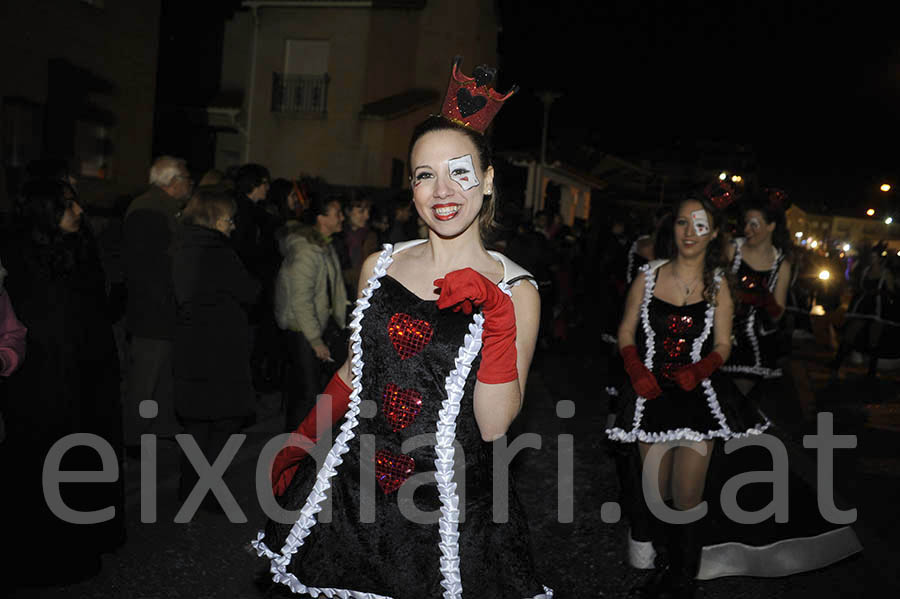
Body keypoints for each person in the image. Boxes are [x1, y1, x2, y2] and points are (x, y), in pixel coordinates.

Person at [255, 58, 551, 598]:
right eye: (424, 174)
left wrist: (499, 317)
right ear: (410, 187)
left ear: (486, 181)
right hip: (354, 491)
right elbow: (354, 370)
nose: (443, 190)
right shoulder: (380, 265)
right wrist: (301, 438)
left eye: (459, 171)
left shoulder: (517, 291)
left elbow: (492, 426)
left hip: (448, 507)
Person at [607, 195, 767, 598]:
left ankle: (682, 582)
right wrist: (635, 367)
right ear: (672, 228)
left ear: (712, 233)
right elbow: (626, 331)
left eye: (699, 225)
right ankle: (663, 569)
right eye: (682, 223)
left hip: (698, 400)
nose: (689, 233)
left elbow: (725, 344)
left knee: (687, 497)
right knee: (656, 494)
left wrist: (701, 368)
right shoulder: (648, 275)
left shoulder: (718, 285)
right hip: (650, 396)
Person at [1, 179, 125, 586]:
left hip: (80, 385)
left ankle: (78, 545)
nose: (79, 212)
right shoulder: (23, 261)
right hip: (40, 390)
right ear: (45, 211)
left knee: (78, 465)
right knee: (43, 469)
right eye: (68, 205)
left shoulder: (75, 254)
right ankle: (48, 554)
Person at [172, 186, 260, 506]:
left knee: (197, 420)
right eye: (228, 219)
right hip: (219, 346)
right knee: (224, 419)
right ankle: (205, 490)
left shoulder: (181, 243)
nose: (232, 225)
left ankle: (191, 488)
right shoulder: (217, 250)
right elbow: (247, 291)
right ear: (213, 217)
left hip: (190, 342)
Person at [123, 155, 193, 449]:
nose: (190, 185)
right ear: (173, 182)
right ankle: (133, 435)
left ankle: (158, 426)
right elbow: (153, 269)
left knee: (160, 376)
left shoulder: (161, 209)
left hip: (159, 309)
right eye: (187, 179)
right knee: (146, 378)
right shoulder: (150, 212)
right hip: (153, 312)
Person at [273, 191, 348, 431]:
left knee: (311, 392)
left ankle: (302, 449)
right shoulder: (307, 250)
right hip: (302, 331)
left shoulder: (324, 245)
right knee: (306, 394)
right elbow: (301, 300)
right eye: (337, 213)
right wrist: (315, 341)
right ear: (321, 218)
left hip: (317, 326)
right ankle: (294, 451)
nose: (342, 218)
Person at [721, 191, 792, 396]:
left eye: (754, 224)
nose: (747, 230)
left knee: (735, 401)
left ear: (771, 226)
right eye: (746, 223)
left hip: (754, 345)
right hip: (722, 336)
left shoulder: (781, 265)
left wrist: (764, 298)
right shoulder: (732, 250)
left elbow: (777, 314)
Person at [830, 241, 896, 377]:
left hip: (877, 308)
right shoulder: (865, 270)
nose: (871, 259)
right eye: (871, 256)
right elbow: (856, 283)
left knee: (874, 338)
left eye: (874, 256)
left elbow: (892, 292)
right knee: (850, 332)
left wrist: (882, 293)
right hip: (863, 306)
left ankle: (871, 371)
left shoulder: (886, 274)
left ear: (879, 258)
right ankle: (836, 363)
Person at [338, 193, 379, 296]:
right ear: (348, 212)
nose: (367, 216)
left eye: (368, 211)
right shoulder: (337, 236)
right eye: (361, 212)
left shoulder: (371, 237)